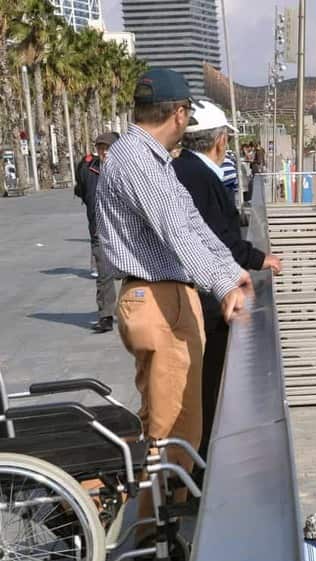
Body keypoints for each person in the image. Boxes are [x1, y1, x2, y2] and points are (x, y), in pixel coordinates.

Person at [95, 67, 251, 536]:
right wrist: (223, 285)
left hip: (173, 297)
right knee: (166, 428)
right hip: (155, 298)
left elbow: (192, 224)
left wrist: (229, 270)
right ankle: (151, 539)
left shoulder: (154, 159)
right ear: (180, 114)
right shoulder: (136, 161)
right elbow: (175, 230)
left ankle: (171, 528)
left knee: (187, 424)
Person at [172, 99, 282, 481]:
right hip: (204, 296)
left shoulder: (181, 169)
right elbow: (215, 236)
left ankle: (196, 464)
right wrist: (256, 259)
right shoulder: (200, 177)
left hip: (195, 288)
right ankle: (202, 466)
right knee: (209, 381)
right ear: (220, 141)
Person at [75, 131, 120, 332]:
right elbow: (82, 191)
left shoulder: (127, 169)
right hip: (99, 230)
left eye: (108, 148)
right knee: (104, 275)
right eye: (101, 148)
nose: (104, 152)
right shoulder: (88, 168)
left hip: (125, 231)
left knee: (135, 274)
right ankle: (105, 316)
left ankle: (136, 311)